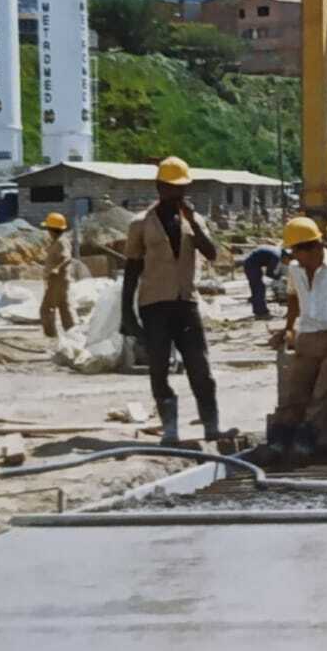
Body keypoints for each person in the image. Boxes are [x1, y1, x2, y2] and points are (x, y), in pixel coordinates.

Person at [120, 157, 226, 448]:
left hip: (185, 303)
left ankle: (212, 426)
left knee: (200, 368)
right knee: (159, 368)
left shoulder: (194, 221)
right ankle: (170, 430)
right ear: (159, 188)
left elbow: (212, 253)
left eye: (182, 188)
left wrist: (193, 220)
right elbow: (131, 270)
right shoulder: (140, 224)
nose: (178, 194)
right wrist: (126, 313)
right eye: (172, 188)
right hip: (155, 305)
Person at [266, 216, 327, 461]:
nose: (293, 256)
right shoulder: (294, 270)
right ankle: (280, 441)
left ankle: (306, 440)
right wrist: (288, 328)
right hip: (307, 337)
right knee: (295, 392)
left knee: (322, 392)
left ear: (312, 247)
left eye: (295, 250)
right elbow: (293, 298)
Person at [40, 212, 76, 337]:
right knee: (64, 308)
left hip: (57, 280)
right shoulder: (58, 241)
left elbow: (66, 258)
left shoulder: (61, 242)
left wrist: (56, 268)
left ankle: (51, 336)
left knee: (46, 309)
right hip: (60, 280)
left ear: (52, 229)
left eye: (48, 229)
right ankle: (73, 334)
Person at [243, 242, 285, 320]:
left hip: (253, 263)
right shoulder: (277, 256)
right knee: (259, 287)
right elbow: (269, 273)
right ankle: (261, 312)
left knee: (257, 287)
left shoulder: (277, 251)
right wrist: (280, 278)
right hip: (251, 264)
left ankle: (259, 310)